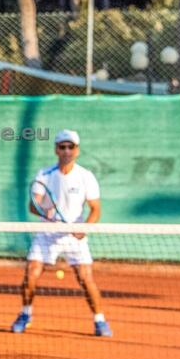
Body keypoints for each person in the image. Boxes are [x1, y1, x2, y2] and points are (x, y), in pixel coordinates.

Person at [10, 129, 111, 337]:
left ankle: (100, 320)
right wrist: (42, 210)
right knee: (31, 274)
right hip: (47, 233)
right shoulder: (44, 175)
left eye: (71, 147)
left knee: (85, 278)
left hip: (74, 235)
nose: (66, 151)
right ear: (56, 149)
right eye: (62, 146)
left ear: (77, 150)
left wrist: (84, 228)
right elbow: (33, 205)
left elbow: (95, 209)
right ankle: (25, 314)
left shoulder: (86, 177)